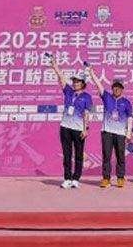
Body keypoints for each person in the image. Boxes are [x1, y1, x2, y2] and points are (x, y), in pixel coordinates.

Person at [49, 55, 92, 189]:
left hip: (78, 129)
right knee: (67, 154)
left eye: (77, 82)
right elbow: (61, 77)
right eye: (74, 81)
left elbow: (86, 113)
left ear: (83, 83)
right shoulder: (68, 91)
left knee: (79, 155)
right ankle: (67, 178)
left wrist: (85, 129)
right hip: (65, 127)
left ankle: (76, 179)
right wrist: (54, 65)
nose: (75, 83)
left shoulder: (86, 97)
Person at [88, 68, 133, 188]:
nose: (116, 89)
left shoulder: (126, 102)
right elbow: (98, 84)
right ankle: (106, 179)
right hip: (107, 132)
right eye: (115, 87)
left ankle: (120, 178)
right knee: (106, 156)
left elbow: (129, 118)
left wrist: (128, 133)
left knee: (120, 156)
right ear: (112, 88)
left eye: (119, 87)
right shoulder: (107, 97)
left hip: (120, 133)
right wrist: (91, 72)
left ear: (122, 89)